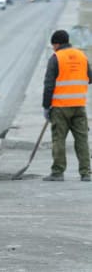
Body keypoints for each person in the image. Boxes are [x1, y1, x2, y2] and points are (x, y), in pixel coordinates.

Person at [42, 29, 92, 182]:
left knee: (58, 140)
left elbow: (49, 84)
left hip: (60, 107)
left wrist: (46, 106)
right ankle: (86, 173)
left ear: (56, 44)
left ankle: (57, 173)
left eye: (53, 45)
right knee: (82, 140)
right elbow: (90, 78)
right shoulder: (82, 56)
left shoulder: (56, 57)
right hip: (79, 105)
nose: (53, 48)